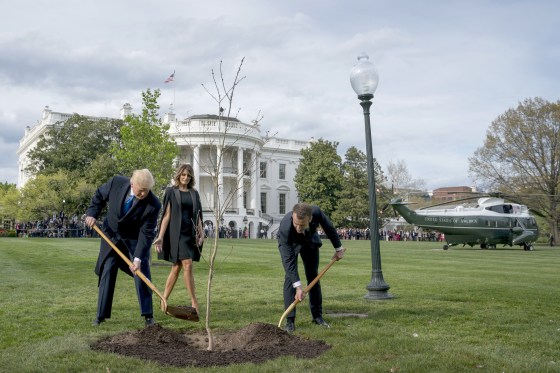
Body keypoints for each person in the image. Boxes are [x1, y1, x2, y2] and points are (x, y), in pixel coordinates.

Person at [85, 169, 161, 327]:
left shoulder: (153, 204)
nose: (143, 195)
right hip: (110, 235)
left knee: (141, 274)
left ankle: (148, 315)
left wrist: (138, 258)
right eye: (140, 191)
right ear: (132, 184)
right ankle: (101, 316)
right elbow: (99, 195)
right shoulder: (116, 182)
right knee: (108, 269)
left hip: (133, 240)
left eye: (146, 191)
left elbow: (146, 233)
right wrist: (92, 214)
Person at [278, 202, 345, 332]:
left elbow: (329, 228)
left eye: (302, 225)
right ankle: (290, 322)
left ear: (310, 219)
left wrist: (338, 248)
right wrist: (298, 287)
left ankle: (317, 317)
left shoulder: (317, 212)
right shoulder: (285, 228)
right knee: (290, 279)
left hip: (310, 242)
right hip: (291, 244)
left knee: (313, 276)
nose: (298, 228)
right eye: (296, 224)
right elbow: (288, 261)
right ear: (293, 216)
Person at [154, 164, 204, 315]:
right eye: (183, 175)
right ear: (178, 175)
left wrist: (201, 233)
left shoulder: (194, 193)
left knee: (177, 267)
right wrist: (161, 236)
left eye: (188, 175)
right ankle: (194, 301)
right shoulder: (171, 191)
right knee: (187, 265)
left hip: (190, 234)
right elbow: (166, 215)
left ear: (191, 177)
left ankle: (163, 299)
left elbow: (198, 215)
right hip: (177, 234)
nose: (185, 178)